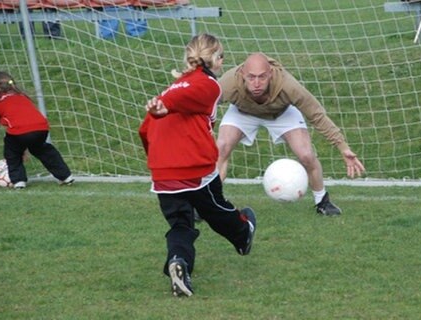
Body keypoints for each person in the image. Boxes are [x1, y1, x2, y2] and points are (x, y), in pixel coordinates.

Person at [138, 33, 256, 297]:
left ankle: (178, 262)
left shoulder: (173, 88)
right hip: (192, 166)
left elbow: (145, 130)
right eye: (221, 56)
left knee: (181, 224)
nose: (223, 62)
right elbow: (190, 94)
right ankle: (243, 234)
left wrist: (156, 161)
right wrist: (164, 107)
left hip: (163, 172)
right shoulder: (208, 85)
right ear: (214, 59)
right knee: (214, 207)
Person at [217, 52, 366, 216]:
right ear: (242, 74)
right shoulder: (228, 83)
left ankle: (322, 201)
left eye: (262, 77)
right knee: (222, 146)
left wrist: (342, 147)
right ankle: (210, 202)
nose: (257, 83)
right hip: (242, 112)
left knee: (306, 155)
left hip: (282, 113)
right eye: (251, 77)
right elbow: (202, 105)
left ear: (271, 74)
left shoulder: (288, 86)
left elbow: (316, 115)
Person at [0, 71, 74, 189]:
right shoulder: (23, 97)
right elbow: (27, 123)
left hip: (20, 133)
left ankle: (19, 181)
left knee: (11, 151)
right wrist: (23, 146)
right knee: (42, 149)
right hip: (42, 128)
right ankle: (66, 176)